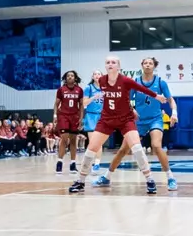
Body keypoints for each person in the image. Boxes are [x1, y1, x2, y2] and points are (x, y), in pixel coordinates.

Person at [69, 55, 167, 194]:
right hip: (107, 119)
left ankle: (150, 180)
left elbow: (141, 89)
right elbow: (89, 99)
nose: (110, 64)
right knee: (91, 149)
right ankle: (80, 181)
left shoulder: (126, 80)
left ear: (118, 66)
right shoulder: (102, 80)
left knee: (137, 148)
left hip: (125, 120)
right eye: (107, 62)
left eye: (113, 62)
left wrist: (156, 96)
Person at [103, 56, 178, 189]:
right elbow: (124, 99)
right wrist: (132, 109)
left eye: (150, 63)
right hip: (138, 121)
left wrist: (174, 113)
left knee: (156, 146)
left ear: (154, 66)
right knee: (123, 150)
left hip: (155, 119)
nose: (148, 65)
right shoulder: (135, 82)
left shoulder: (160, 82)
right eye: (145, 63)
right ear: (142, 65)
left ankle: (170, 177)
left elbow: (170, 99)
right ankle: (106, 177)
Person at [52, 69, 87, 173]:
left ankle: (72, 164)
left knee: (73, 140)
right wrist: (55, 115)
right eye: (68, 76)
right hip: (63, 116)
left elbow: (81, 105)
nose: (70, 77)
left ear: (75, 78)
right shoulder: (61, 90)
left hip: (74, 116)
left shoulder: (79, 90)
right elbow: (56, 104)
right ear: (65, 78)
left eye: (72, 76)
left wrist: (81, 118)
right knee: (64, 138)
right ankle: (59, 162)